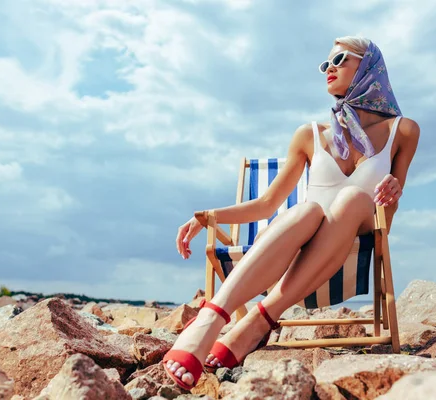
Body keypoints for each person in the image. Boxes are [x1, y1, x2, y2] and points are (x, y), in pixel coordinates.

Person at [163, 35, 420, 390]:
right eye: (324, 64)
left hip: (361, 230)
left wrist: (393, 190)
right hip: (299, 244)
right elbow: (267, 205)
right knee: (308, 210)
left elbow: (391, 206)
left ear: (370, 66)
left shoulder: (402, 130)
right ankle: (216, 319)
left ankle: (258, 317)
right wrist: (207, 216)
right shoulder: (309, 134)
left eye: (339, 59)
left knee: (348, 200)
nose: (328, 68)